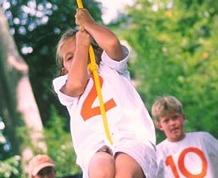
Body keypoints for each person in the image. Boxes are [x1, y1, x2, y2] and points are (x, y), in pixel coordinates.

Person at [53, 8, 157, 178]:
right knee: (101, 171)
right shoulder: (65, 86)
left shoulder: (111, 68)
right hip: (94, 147)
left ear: (94, 52)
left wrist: (89, 24)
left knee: (125, 171)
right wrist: (81, 45)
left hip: (132, 136)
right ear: (64, 70)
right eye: (70, 57)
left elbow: (112, 44)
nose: (79, 55)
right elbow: (78, 83)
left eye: (84, 51)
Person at [151, 96, 218, 178]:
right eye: (166, 120)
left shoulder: (203, 139)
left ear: (183, 117)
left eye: (175, 117)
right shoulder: (157, 153)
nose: (172, 123)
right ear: (159, 125)